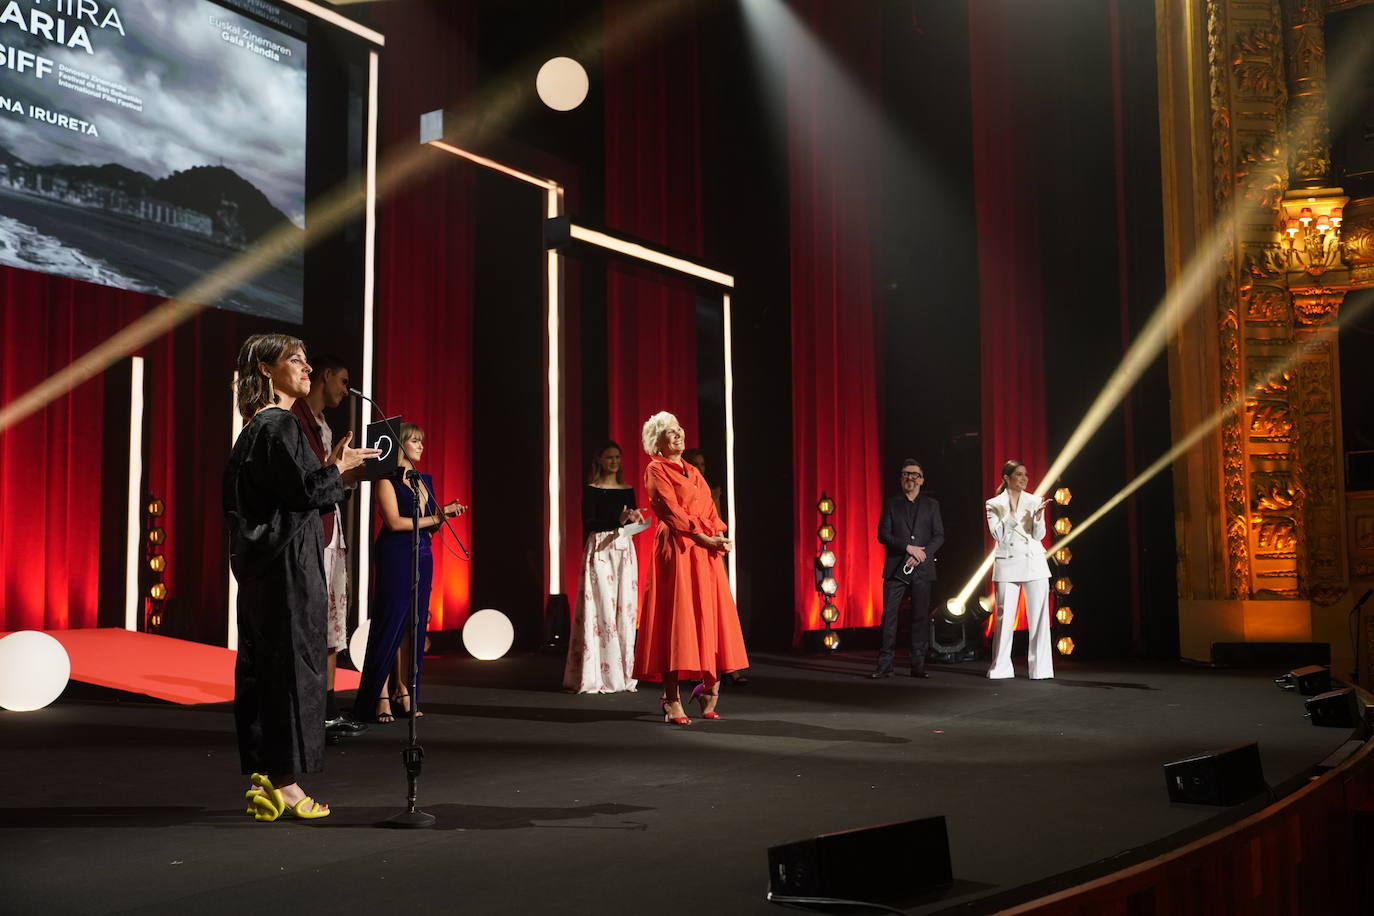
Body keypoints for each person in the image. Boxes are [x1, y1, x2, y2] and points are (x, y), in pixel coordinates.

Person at [224, 333, 379, 821]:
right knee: (290, 671)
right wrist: (341, 470)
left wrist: (335, 473)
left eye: (309, 359)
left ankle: (268, 778)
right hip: (285, 568)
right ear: (266, 370)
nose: (308, 367)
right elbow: (303, 492)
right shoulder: (278, 427)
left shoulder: (259, 428)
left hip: (269, 571)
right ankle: (286, 782)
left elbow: (295, 492)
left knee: (267, 671)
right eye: (296, 359)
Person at [632, 411, 749, 724]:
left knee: (709, 615)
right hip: (678, 549)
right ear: (657, 442)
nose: (678, 434)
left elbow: (710, 508)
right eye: (670, 432)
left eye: (679, 428)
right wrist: (706, 538)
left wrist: (718, 537)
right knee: (677, 619)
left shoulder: (692, 471)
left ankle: (709, 687)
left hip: (703, 551)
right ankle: (671, 699)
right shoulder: (656, 469)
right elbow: (671, 512)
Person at [352, 422, 464, 723]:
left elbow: (429, 523)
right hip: (395, 554)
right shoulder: (386, 480)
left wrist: (445, 514)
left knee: (415, 625)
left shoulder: (423, 479)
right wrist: (438, 516)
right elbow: (396, 523)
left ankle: (406, 688)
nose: (421, 446)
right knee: (391, 623)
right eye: (414, 441)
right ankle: (381, 693)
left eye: (422, 441)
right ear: (400, 445)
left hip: (423, 554)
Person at [289, 353, 367, 744]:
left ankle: (329, 707)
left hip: (331, 529)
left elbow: (329, 480)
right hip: (311, 532)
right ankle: (310, 710)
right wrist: (337, 467)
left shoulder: (321, 423)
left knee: (334, 616)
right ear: (324, 376)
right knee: (313, 616)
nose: (345, 389)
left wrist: (351, 474)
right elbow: (307, 479)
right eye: (342, 380)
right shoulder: (296, 419)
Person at [563, 440, 646, 694]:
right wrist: (617, 520)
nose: (615, 462)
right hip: (600, 547)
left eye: (618, 457)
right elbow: (589, 522)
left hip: (623, 548)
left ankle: (621, 672)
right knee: (601, 609)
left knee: (624, 609)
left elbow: (626, 520)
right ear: (599, 460)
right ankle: (596, 672)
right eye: (609, 457)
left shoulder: (627, 488)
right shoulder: (592, 489)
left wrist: (635, 519)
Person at [872, 458, 945, 678]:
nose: (909, 478)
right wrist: (908, 548)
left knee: (920, 616)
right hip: (896, 568)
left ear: (921, 480)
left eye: (914, 474)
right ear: (900, 478)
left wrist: (922, 554)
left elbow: (939, 535)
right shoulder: (891, 503)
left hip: (922, 569)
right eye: (905, 474)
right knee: (890, 615)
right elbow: (883, 534)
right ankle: (885, 664)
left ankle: (918, 664)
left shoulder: (932, 505)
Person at [683, 446, 749, 687]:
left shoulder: (709, 491)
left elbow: (718, 524)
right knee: (697, 610)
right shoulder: (683, 489)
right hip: (691, 553)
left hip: (712, 553)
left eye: (702, 464)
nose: (700, 469)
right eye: (695, 464)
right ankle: (698, 666)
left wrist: (716, 498)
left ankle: (728, 666)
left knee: (720, 610)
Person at [985, 459, 1053, 680]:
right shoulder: (994, 503)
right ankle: (1001, 667)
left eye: (1026, 474)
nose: (1024, 478)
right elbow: (998, 535)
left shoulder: (1035, 500)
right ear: (1007, 478)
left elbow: (1038, 535)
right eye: (1019, 475)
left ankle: (1040, 669)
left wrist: (1039, 518)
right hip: (1007, 563)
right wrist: (1012, 514)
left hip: (1034, 562)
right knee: (1005, 618)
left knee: (1040, 618)